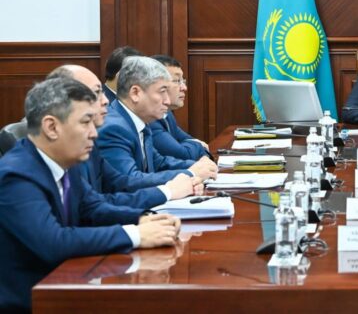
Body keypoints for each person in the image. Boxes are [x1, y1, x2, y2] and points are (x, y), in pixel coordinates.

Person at [0, 78, 181, 311]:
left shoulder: (66, 162)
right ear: (51, 127)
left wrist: (144, 218)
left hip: (69, 285)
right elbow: (53, 242)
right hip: (30, 303)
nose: (94, 133)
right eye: (86, 122)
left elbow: (93, 208)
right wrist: (135, 235)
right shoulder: (16, 175)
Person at [47, 65, 203, 209]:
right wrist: (171, 189)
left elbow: (113, 188)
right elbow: (103, 200)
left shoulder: (85, 142)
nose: (106, 100)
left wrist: (146, 218)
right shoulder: (111, 128)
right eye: (95, 93)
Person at [98, 56, 218, 185]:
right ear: (135, 93)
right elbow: (129, 181)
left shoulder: (139, 120)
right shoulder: (114, 128)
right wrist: (191, 173)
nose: (167, 101)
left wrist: (196, 166)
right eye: (162, 91)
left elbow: (158, 163)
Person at [149, 55, 210, 160]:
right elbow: (183, 154)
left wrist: (194, 146)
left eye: (183, 81)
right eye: (177, 81)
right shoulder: (150, 118)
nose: (184, 88)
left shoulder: (167, 113)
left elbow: (188, 140)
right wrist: (197, 147)